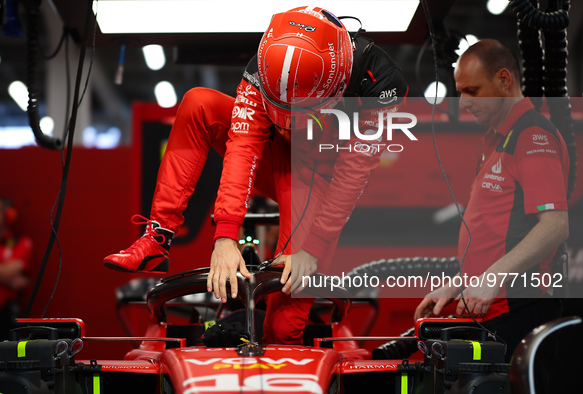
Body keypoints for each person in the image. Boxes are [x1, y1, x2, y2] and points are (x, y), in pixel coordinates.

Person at [104, 6, 408, 344]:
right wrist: (225, 235)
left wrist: (312, 248)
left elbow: (352, 176)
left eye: (299, 110)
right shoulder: (262, 70)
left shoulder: (382, 86)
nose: (289, 118)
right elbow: (242, 149)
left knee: (283, 322)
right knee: (197, 102)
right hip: (276, 159)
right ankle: (157, 238)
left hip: (322, 180)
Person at [414, 39, 568, 391]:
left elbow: (556, 225)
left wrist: (493, 276)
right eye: (460, 91)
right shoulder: (495, 139)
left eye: (473, 90)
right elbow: (493, 235)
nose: (464, 102)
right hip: (488, 311)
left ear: (503, 80)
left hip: (519, 313)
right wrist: (456, 284)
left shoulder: (532, 137)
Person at [0, 197, 32, 340]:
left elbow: (15, 276)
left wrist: (7, 274)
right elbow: (10, 277)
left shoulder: (21, 242)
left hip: (5, 313)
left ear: (8, 215)